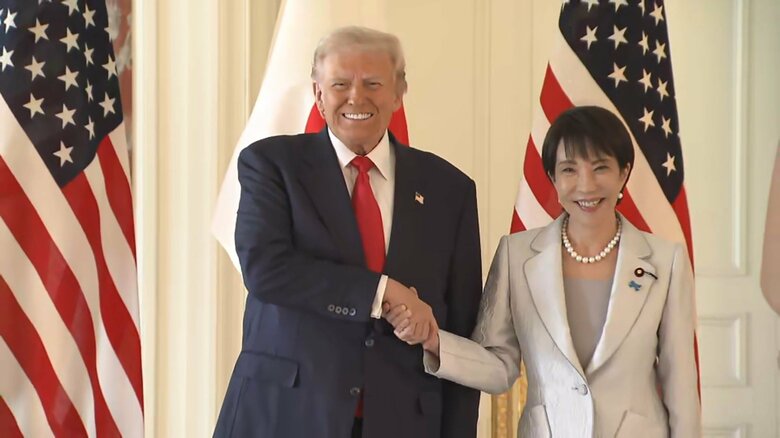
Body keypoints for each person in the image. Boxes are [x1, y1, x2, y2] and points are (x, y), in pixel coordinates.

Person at [213, 26, 483, 438]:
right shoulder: (272, 165)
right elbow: (266, 269)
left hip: (404, 422)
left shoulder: (449, 189)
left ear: (399, 93)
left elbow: (462, 329)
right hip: (285, 416)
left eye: (373, 83)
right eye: (340, 84)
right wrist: (382, 292)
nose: (356, 97)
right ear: (318, 94)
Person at [387, 106, 702, 437]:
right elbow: (498, 366)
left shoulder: (666, 261)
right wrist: (433, 340)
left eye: (600, 168)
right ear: (552, 177)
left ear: (623, 173)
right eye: (569, 170)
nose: (586, 185)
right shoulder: (516, 255)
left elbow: (680, 383)